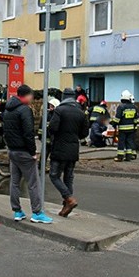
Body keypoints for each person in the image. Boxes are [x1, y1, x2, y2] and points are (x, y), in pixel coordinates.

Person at [3, 84, 53, 224]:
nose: (32, 99)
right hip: (24, 152)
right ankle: (37, 213)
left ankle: (17, 211)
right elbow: (28, 133)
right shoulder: (24, 110)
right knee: (33, 183)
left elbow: (6, 131)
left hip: (12, 150)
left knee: (14, 182)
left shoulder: (8, 110)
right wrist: (32, 152)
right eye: (31, 96)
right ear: (25, 95)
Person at [48, 88, 89, 217]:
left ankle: (69, 199)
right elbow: (84, 133)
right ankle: (66, 207)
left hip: (60, 148)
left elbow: (53, 128)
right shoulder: (81, 112)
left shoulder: (59, 110)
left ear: (63, 97)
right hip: (73, 150)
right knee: (68, 178)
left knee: (54, 175)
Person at [111, 90, 139, 162]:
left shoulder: (121, 107)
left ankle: (120, 157)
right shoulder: (134, 107)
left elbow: (117, 119)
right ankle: (128, 156)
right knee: (129, 142)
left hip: (123, 129)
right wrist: (134, 126)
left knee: (121, 142)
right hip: (131, 129)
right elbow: (136, 119)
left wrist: (113, 124)